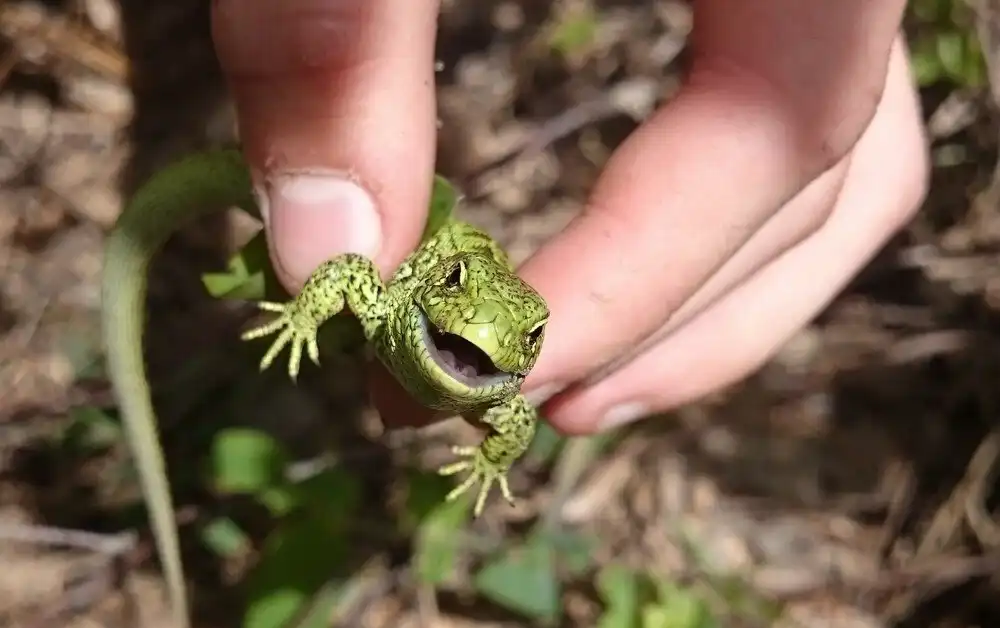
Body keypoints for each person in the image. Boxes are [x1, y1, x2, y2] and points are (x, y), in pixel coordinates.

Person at [210, 0, 929, 435]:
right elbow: (345, 269)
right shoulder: (394, 302)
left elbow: (514, 424)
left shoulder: (502, 396)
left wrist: (490, 462)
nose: (489, 345)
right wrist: (304, 316)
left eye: (525, 341)